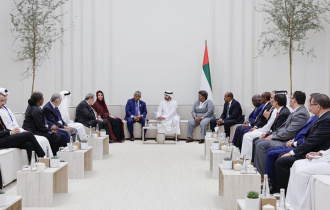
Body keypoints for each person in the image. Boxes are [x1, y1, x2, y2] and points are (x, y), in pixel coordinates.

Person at [275, 93, 330, 193]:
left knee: (282, 161)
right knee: (282, 156)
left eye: (310, 104)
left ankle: (283, 193)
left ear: (318, 106)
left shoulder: (326, 119)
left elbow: (312, 140)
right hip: (315, 151)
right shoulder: (322, 117)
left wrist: (293, 152)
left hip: (317, 154)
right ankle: (280, 190)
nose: (308, 106)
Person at [264, 93, 318, 191]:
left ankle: (276, 188)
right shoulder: (313, 117)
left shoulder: (307, 114)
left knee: (273, 153)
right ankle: (270, 182)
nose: (308, 105)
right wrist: (293, 141)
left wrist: (294, 143)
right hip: (294, 141)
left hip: (302, 147)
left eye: (310, 103)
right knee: (270, 151)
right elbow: (302, 133)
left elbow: (307, 138)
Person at [254, 91, 310, 177]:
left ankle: (262, 175)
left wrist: (274, 137)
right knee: (258, 142)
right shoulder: (296, 111)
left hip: (287, 140)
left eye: (290, 98)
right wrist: (272, 135)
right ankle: (259, 172)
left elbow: (289, 132)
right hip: (284, 138)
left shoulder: (301, 113)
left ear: (294, 100)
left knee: (261, 145)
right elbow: (283, 128)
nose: (289, 100)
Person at [0, 88, 53, 156]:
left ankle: (34, 165)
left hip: (5, 135)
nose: (3, 103)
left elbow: (4, 128)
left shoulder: (4, 109)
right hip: (2, 139)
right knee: (29, 134)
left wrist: (12, 132)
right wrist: (10, 132)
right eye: (1, 101)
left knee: (29, 144)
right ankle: (42, 157)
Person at [240, 91, 277, 160]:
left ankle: (248, 158)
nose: (271, 100)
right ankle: (244, 157)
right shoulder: (272, 108)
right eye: (271, 98)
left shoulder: (274, 109)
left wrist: (260, 130)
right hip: (264, 129)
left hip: (268, 131)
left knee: (248, 136)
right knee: (246, 134)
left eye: (273, 98)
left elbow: (268, 124)